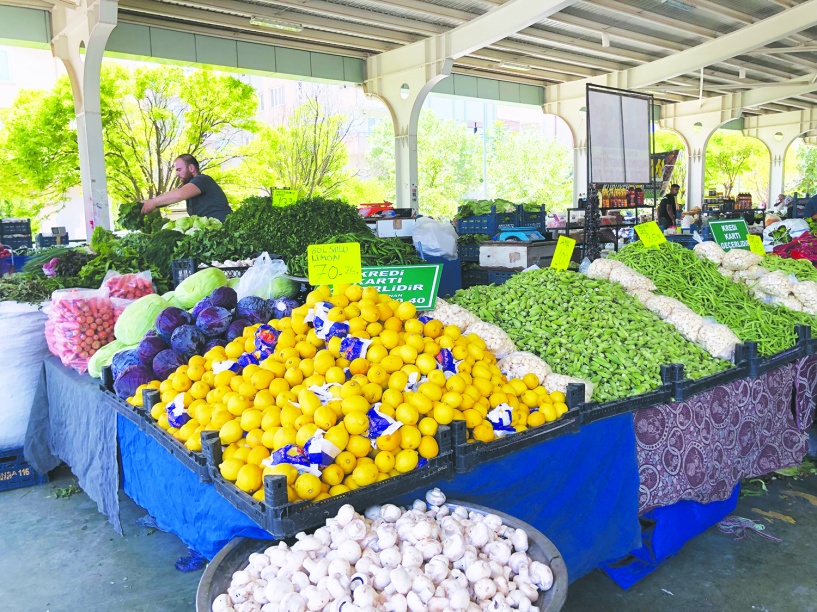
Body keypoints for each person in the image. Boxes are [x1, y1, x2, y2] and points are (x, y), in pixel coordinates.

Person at [140, 154, 232, 222]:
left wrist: (153, 202)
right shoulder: (188, 186)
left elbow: (179, 194)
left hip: (224, 229)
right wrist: (146, 204)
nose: (176, 174)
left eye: (179, 170)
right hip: (209, 232)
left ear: (191, 168)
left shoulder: (202, 180)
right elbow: (172, 195)